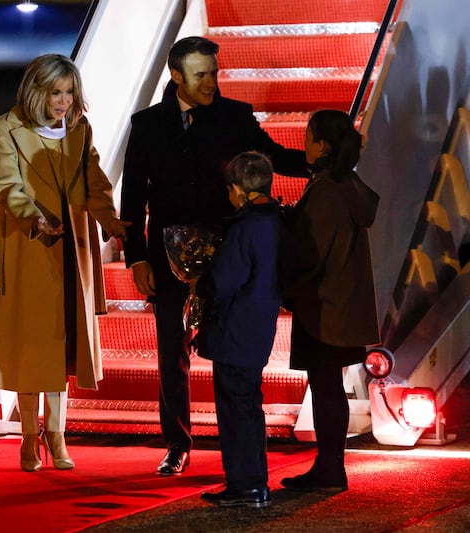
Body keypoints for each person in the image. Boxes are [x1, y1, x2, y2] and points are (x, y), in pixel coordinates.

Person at [120, 36, 308, 477]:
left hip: (228, 256)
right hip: (166, 258)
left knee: (232, 353)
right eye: (201, 74)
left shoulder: (235, 116)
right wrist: (136, 258)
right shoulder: (147, 124)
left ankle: (241, 456)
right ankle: (177, 443)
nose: (211, 82)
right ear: (176, 76)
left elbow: (275, 157)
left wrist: (322, 163)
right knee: (172, 352)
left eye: (214, 73)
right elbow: (132, 197)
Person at [0, 53, 130, 472]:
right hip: (31, 248)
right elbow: (8, 186)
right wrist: (35, 218)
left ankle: (58, 432)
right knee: (31, 347)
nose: (64, 101)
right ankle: (31, 436)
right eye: (56, 92)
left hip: (73, 252)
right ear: (36, 91)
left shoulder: (80, 130)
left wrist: (112, 221)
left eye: (69, 92)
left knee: (64, 346)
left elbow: (96, 184)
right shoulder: (6, 127)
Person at [280, 109, 380, 492]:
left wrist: (285, 288)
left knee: (324, 386)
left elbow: (312, 250)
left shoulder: (325, 188)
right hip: (343, 301)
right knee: (329, 386)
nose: (303, 144)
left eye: (307, 137)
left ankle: (329, 468)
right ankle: (330, 467)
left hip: (322, 304)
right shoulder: (348, 184)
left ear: (321, 145)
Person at [194, 152, 280, 508]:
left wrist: (201, 285)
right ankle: (253, 481)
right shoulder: (276, 221)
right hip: (260, 323)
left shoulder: (245, 227)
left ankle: (245, 483)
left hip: (235, 326)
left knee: (235, 407)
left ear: (238, 189)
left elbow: (226, 279)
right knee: (248, 403)